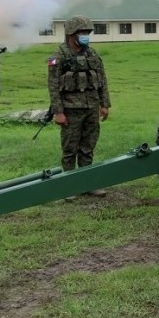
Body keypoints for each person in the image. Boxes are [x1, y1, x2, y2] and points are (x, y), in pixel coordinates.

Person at [48, 15, 111, 199]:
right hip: (70, 110)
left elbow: (102, 80)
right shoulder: (58, 57)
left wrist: (104, 104)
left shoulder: (92, 54)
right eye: (82, 32)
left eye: (87, 32)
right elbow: (53, 86)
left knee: (88, 147)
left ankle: (88, 183)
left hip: (92, 106)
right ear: (71, 34)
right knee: (70, 149)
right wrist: (58, 112)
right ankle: (69, 186)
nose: (86, 36)